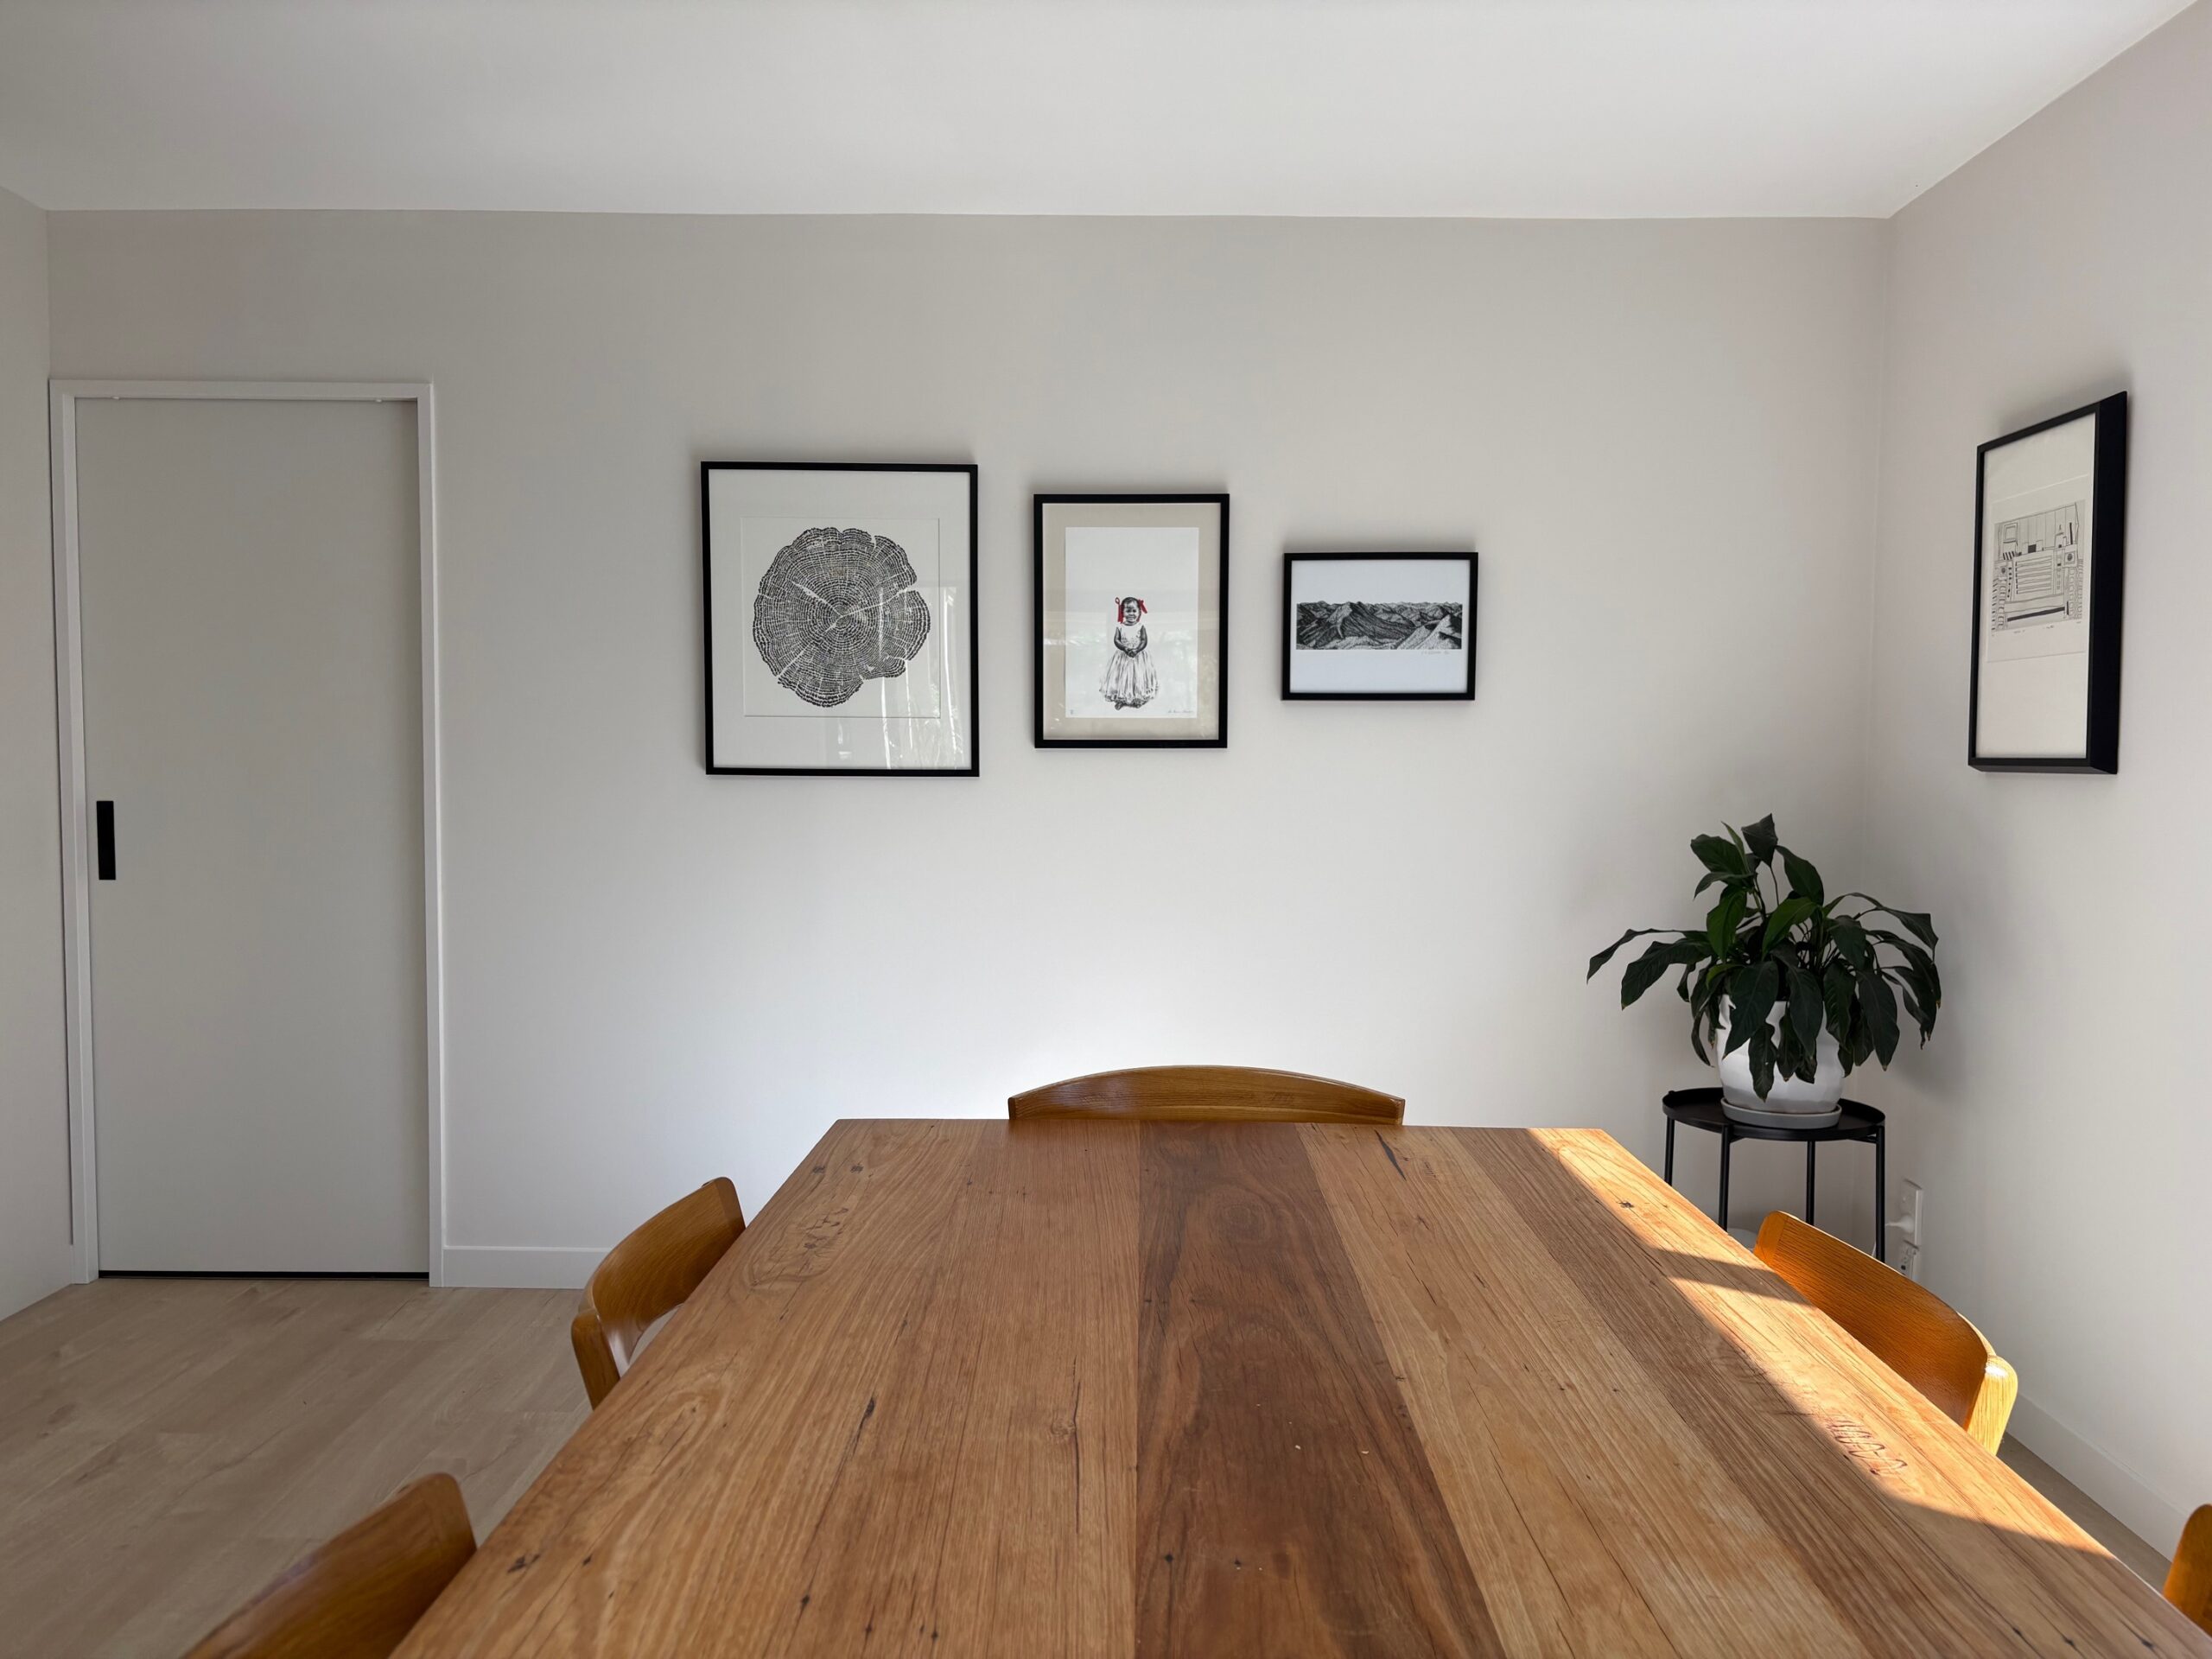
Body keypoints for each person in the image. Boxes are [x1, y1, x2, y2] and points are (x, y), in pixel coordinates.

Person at [1101, 595, 1158, 709]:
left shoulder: (1141, 626)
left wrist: (1137, 649)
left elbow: (1144, 640)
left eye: (1134, 611)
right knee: (1122, 677)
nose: (1131, 613)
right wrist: (1125, 648)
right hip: (1123, 656)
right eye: (1128, 611)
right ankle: (1121, 698)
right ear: (1122, 612)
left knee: (1138, 677)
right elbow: (1116, 640)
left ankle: (1138, 697)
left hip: (1138, 656)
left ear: (1139, 612)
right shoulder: (1120, 626)